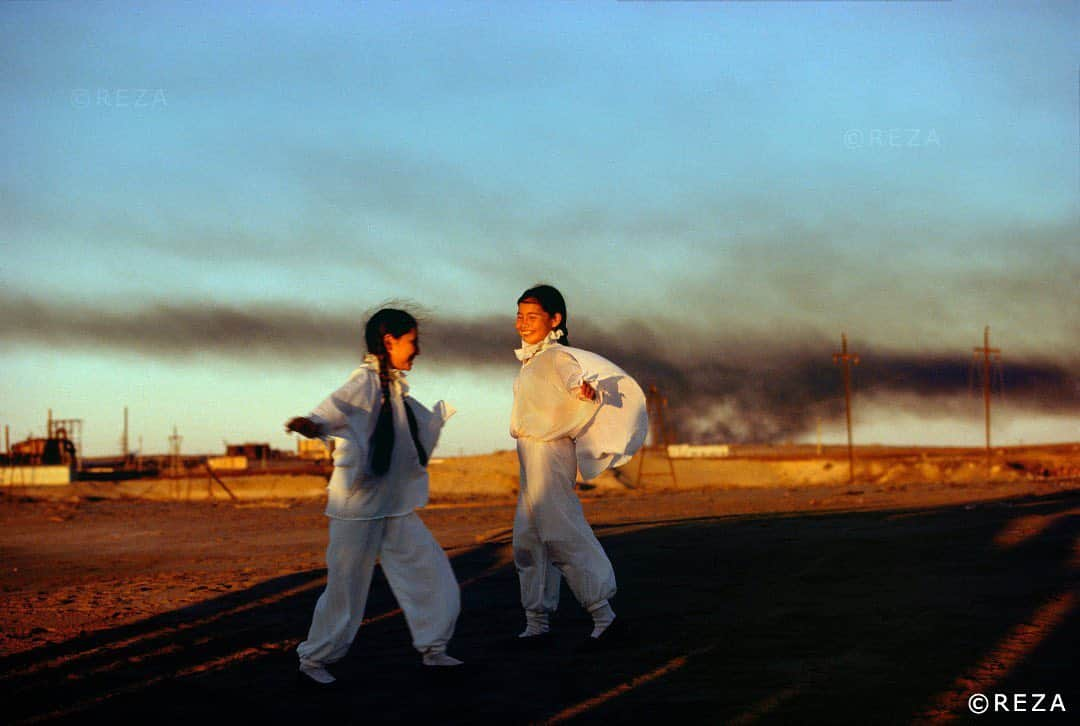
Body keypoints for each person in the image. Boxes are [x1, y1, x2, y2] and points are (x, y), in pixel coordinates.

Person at [286, 308, 462, 686]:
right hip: (358, 507)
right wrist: (313, 425)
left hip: (394, 506)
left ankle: (434, 647)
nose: (417, 351)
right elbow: (336, 409)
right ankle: (314, 659)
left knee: (432, 573)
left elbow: (411, 430)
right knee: (346, 589)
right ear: (389, 342)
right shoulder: (364, 382)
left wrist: (435, 420)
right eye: (412, 342)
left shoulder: (395, 390)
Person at [510, 285, 648, 650]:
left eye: (532, 316)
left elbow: (577, 382)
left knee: (559, 531)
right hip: (529, 454)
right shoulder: (532, 361)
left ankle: (603, 613)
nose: (523, 323)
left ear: (555, 320)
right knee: (528, 538)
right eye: (520, 316)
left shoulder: (558, 357)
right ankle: (536, 620)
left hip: (550, 454)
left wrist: (584, 391)